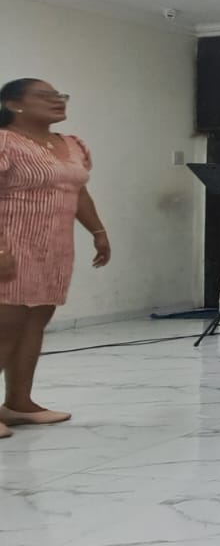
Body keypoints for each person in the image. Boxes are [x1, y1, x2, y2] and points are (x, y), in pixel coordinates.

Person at [0, 79, 110, 437]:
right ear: (14, 104)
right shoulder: (5, 141)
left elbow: (78, 192)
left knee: (35, 322)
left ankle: (19, 402)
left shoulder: (72, 144)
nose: (57, 101)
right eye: (44, 96)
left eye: (60, 96)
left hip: (54, 249)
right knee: (5, 325)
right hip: (10, 244)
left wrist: (98, 231)